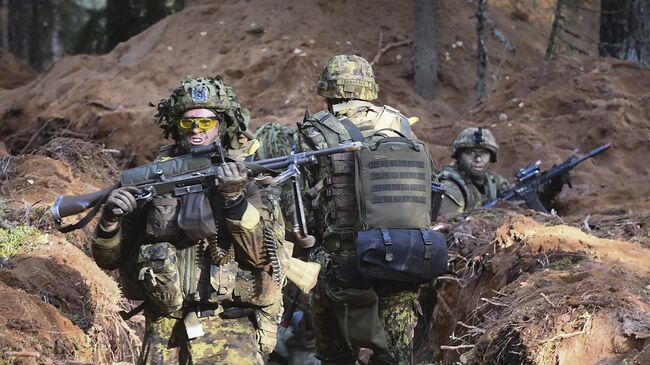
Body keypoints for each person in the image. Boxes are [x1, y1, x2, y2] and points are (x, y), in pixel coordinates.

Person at [91, 76, 288, 364]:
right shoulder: (154, 179)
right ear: (176, 127)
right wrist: (109, 221)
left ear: (221, 125)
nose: (196, 129)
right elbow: (109, 260)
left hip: (230, 326)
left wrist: (234, 200)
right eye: (188, 122)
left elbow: (265, 258)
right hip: (165, 328)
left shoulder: (246, 178)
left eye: (206, 122)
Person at [297, 55, 442, 365]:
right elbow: (430, 188)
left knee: (336, 358)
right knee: (394, 357)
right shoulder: (401, 125)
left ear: (327, 91)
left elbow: (297, 210)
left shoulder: (316, 131)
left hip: (343, 265)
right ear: (370, 88)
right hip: (404, 256)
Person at [437, 127, 566, 214]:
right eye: (470, 153)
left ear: (491, 157)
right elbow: (449, 226)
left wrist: (552, 185)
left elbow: (525, 201)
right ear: (459, 156)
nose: (478, 159)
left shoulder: (493, 181)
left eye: (483, 154)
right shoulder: (450, 186)